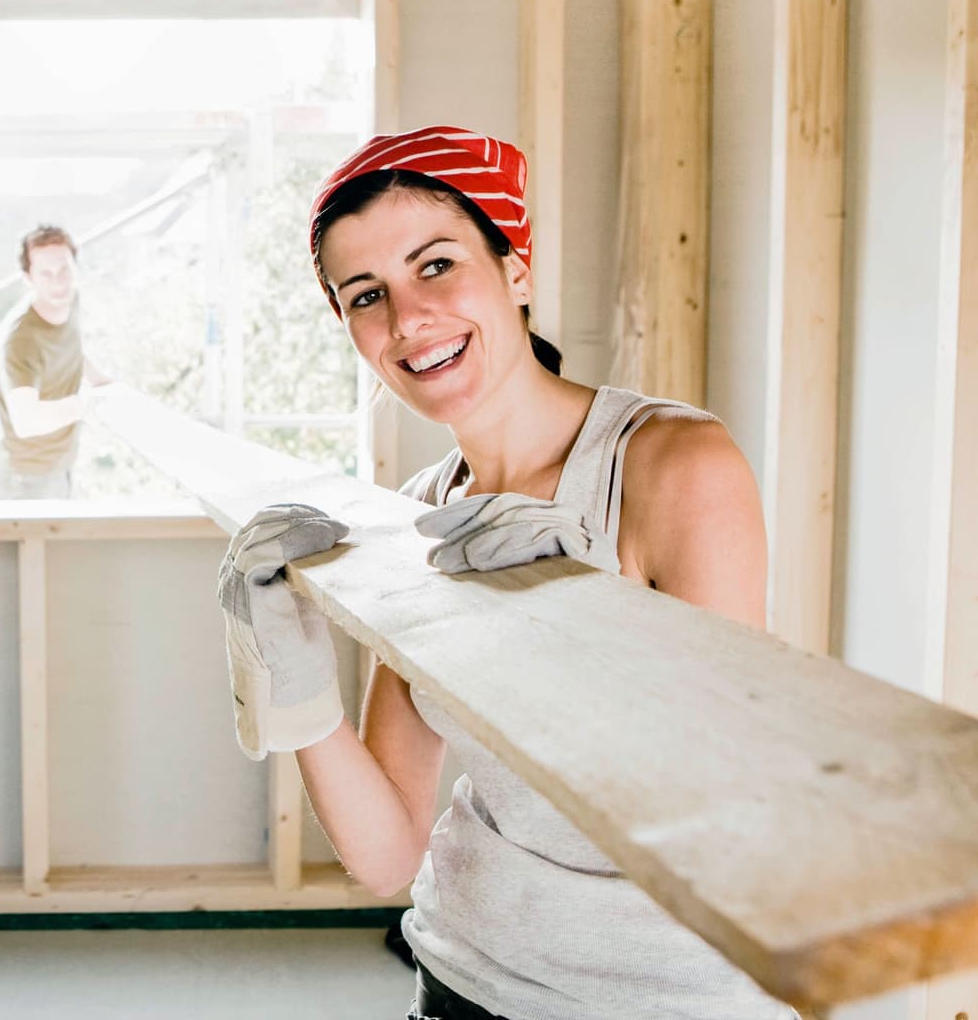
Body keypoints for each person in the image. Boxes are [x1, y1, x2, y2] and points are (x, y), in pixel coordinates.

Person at [216, 127, 798, 1020]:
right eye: (366, 295)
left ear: (515, 271)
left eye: (437, 265)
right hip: (464, 980)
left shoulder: (671, 466)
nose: (408, 319)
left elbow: (720, 824)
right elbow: (387, 853)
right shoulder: (422, 516)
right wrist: (293, 681)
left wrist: (569, 623)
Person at [0, 224, 108, 499]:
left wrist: (102, 381)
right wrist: (87, 406)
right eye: (46, 274)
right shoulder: (20, 341)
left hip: (60, 463)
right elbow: (26, 421)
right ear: (28, 278)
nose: (58, 282)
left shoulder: (69, 300)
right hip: (23, 479)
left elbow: (70, 346)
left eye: (64, 270)